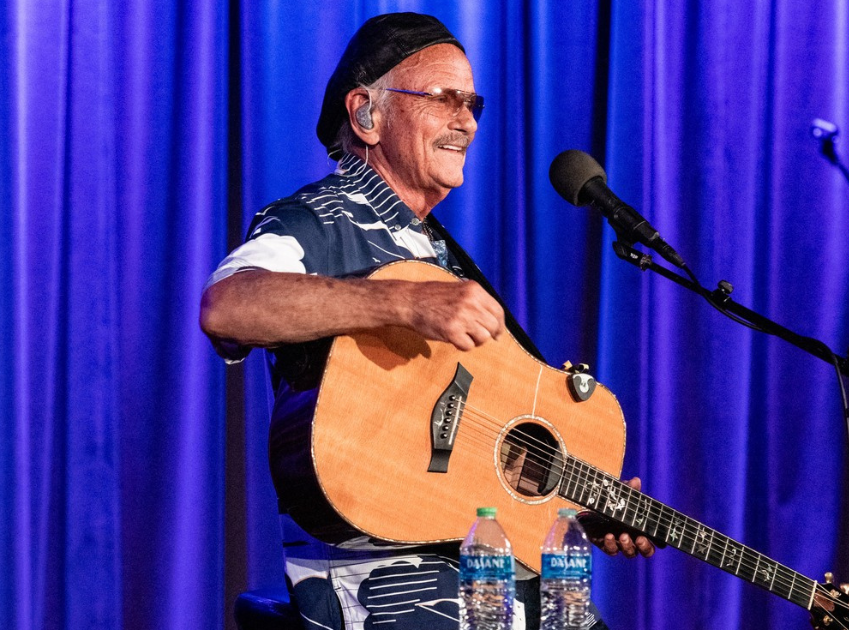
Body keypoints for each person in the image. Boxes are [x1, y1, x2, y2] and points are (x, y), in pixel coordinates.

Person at [200, 13, 654, 630]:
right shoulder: (319, 218)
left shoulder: (436, 249)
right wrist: (402, 302)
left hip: (496, 582)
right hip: (394, 592)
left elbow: (458, 452)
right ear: (366, 114)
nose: (466, 121)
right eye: (444, 98)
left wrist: (575, 495)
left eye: (472, 103)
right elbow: (229, 305)